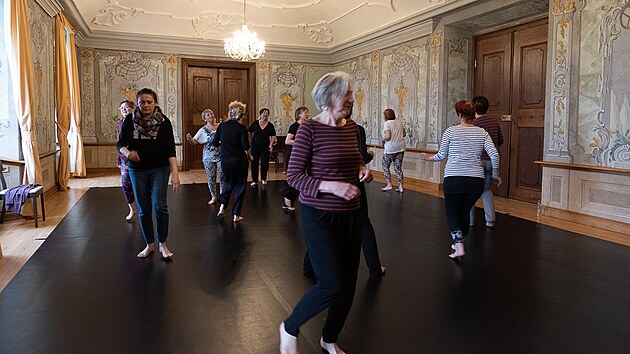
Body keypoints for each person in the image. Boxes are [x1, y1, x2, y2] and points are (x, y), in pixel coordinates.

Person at [280, 71, 371, 354]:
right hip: (318, 215)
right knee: (332, 283)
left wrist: (361, 170)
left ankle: (328, 338)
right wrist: (332, 186)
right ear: (330, 97)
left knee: (348, 284)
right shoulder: (309, 129)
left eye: (351, 94)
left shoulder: (351, 128)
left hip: (351, 214)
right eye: (347, 93)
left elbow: (355, 159)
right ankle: (289, 327)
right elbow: (293, 176)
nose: (352, 99)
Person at [420, 100, 500, 259]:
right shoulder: (482, 133)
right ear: (473, 114)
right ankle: (459, 241)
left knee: (451, 212)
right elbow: (494, 154)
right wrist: (496, 174)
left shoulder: (450, 131)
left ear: (458, 114)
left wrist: (428, 157)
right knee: (463, 211)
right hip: (475, 181)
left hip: (454, 177)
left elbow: (441, 155)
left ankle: (459, 245)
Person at [117, 88, 180, 259]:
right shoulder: (129, 121)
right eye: (142, 102)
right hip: (138, 171)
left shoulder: (164, 122)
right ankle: (149, 244)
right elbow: (120, 143)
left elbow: (170, 150)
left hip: (160, 168)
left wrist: (175, 173)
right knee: (144, 209)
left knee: (160, 206)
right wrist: (127, 153)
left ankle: (163, 244)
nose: (146, 105)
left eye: (149, 102)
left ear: (155, 103)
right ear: (137, 103)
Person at [211, 101, 250, 223]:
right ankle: (236, 215)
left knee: (228, 183)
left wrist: (225, 144)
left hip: (225, 160)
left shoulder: (222, 126)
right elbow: (246, 145)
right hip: (239, 160)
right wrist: (250, 156)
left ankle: (222, 206)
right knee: (240, 186)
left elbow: (214, 143)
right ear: (241, 115)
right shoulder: (242, 128)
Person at [468, 96, 503, 228]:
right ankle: (490, 220)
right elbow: (500, 140)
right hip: (490, 161)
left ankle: (470, 221)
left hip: (477, 161)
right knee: (486, 190)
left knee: (471, 190)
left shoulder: (473, 124)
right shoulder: (494, 123)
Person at [186, 109, 224, 205]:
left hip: (221, 156)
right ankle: (214, 196)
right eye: (208, 115)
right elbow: (195, 142)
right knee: (211, 177)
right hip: (208, 157)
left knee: (223, 176)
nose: (211, 115)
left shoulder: (221, 126)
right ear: (204, 119)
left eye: (211, 113)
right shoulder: (202, 130)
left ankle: (223, 195)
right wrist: (190, 139)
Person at [280, 106, 309, 211]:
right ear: (299, 115)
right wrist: (301, 142)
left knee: (301, 178)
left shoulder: (306, 126)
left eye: (307, 112)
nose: (307, 113)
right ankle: (287, 197)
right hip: (294, 156)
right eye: (305, 112)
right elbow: (287, 141)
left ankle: (289, 199)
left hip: (303, 155)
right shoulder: (294, 126)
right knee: (296, 178)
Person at [117, 100, 136, 221]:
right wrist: (119, 158)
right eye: (122, 108)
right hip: (125, 158)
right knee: (125, 183)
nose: (124, 110)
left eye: (127, 107)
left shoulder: (137, 122)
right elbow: (120, 142)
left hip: (138, 156)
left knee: (140, 185)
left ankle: (143, 208)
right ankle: (132, 208)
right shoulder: (120, 123)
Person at [248, 108, 277, 187]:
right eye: (264, 113)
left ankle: (263, 179)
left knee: (264, 163)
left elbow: (273, 136)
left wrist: (271, 145)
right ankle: (255, 180)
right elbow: (248, 131)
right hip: (255, 147)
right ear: (260, 114)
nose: (265, 114)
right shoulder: (255, 123)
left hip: (265, 147)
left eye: (267, 113)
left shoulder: (270, 125)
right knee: (254, 164)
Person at [381, 108, 406, 192]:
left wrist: (382, 139)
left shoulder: (387, 123)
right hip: (401, 147)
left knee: (385, 165)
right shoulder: (399, 122)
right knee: (398, 167)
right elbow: (404, 134)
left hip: (391, 148)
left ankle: (389, 184)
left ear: (386, 116)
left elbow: (388, 136)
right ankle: (401, 186)